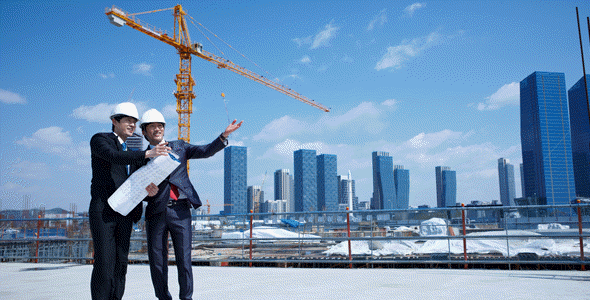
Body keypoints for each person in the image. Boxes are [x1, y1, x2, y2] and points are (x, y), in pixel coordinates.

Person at [140, 108, 242, 300]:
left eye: (160, 125)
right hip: (155, 212)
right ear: (144, 132)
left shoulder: (179, 146)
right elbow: (135, 188)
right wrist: (146, 192)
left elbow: (205, 151)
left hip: (180, 211)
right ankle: (163, 298)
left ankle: (186, 298)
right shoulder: (141, 157)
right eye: (152, 126)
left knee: (185, 260)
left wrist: (223, 136)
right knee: (157, 261)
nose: (157, 129)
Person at [89, 102, 170, 300]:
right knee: (104, 263)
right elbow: (113, 156)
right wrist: (147, 153)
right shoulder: (101, 140)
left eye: (134, 122)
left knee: (121, 265)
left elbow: (136, 181)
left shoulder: (131, 150)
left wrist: (148, 192)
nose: (132, 125)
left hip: (125, 214)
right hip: (104, 212)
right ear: (114, 121)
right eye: (128, 120)